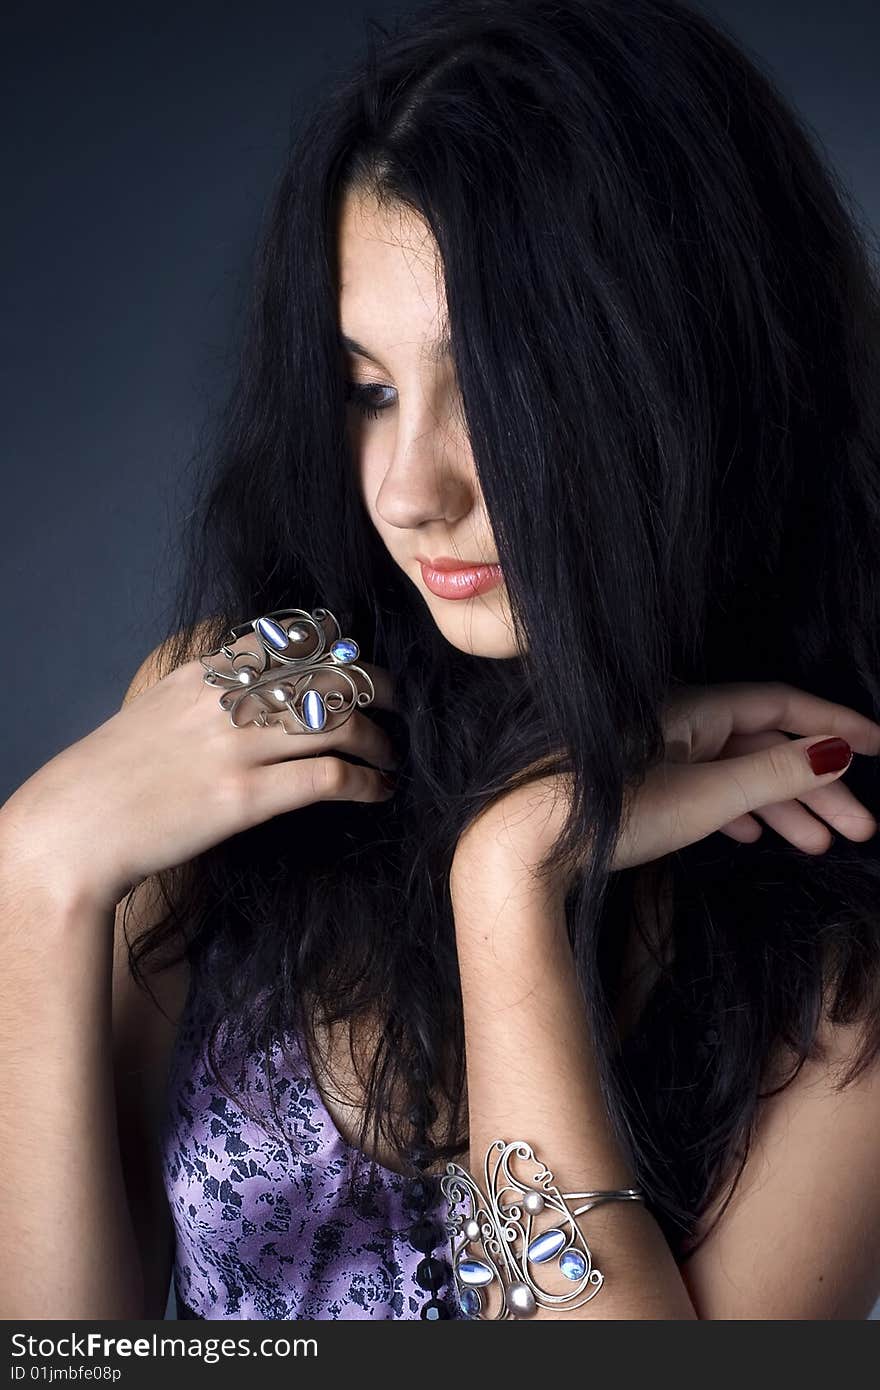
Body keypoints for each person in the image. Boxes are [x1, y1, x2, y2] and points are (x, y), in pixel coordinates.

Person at [3, 0, 880, 1322]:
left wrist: (508, 886)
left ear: (692, 378)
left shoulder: (843, 924)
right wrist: (38, 873)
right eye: (370, 388)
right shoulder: (249, 730)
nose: (410, 488)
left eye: (495, 389)